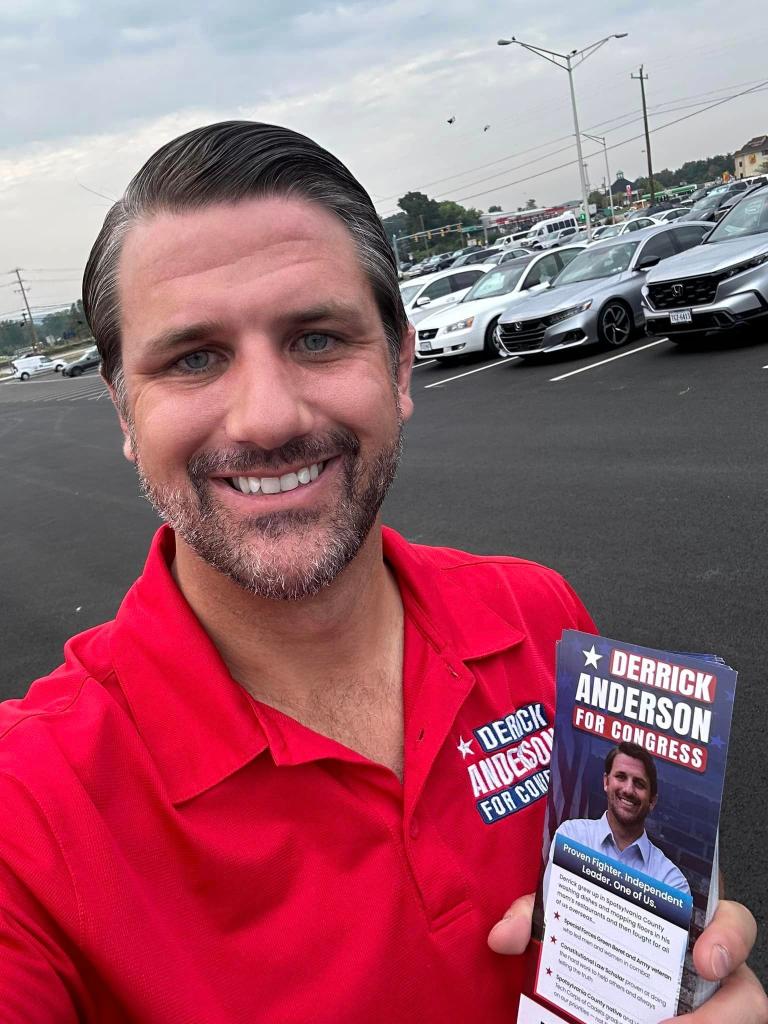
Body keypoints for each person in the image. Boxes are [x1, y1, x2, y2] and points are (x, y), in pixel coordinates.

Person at [0, 122, 764, 1024]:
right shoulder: (30, 810)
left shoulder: (535, 612)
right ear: (124, 408)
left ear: (400, 364)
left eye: (318, 339)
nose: (268, 417)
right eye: (194, 358)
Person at [543, 742, 690, 907]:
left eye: (639, 784)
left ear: (652, 801)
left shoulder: (671, 883)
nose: (628, 789)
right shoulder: (572, 837)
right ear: (606, 782)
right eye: (621, 777)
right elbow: (553, 913)